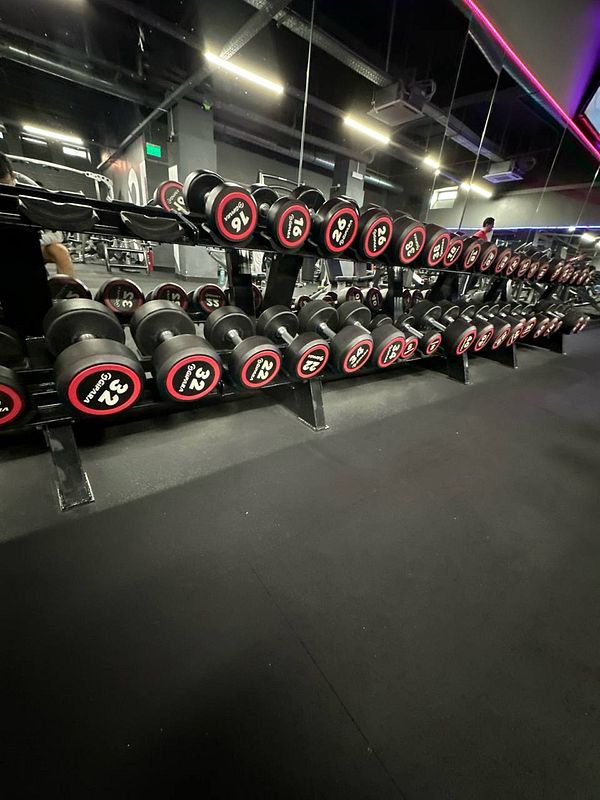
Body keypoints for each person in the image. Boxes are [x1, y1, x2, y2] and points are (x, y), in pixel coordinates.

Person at [0, 152, 76, 278]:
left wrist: (32, 242)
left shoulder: (29, 191)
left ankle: (70, 292)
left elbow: (58, 234)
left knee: (60, 251)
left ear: (13, 177)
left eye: (6, 186)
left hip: (28, 246)